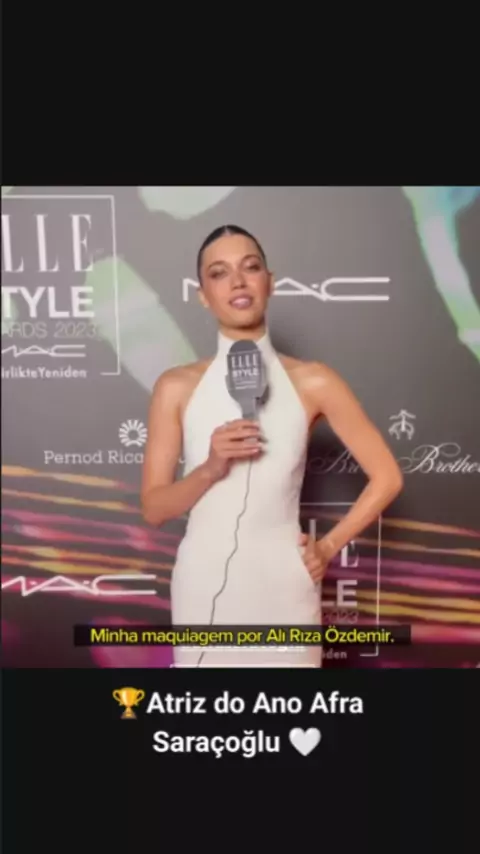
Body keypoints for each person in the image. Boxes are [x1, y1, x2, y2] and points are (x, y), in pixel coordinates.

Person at [141, 225, 403, 667]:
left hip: (285, 584)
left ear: (269, 281)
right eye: (219, 273)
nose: (237, 282)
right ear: (203, 295)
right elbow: (154, 509)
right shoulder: (176, 387)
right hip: (202, 584)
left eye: (250, 267)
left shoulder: (314, 380)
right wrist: (210, 468)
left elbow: (388, 477)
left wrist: (327, 547)